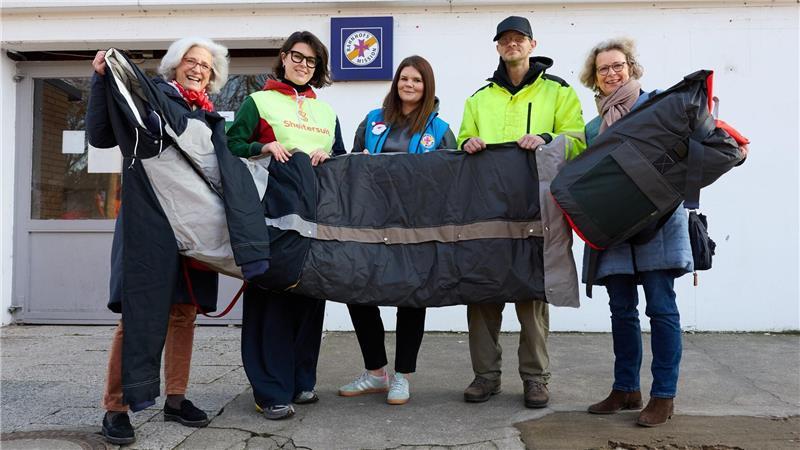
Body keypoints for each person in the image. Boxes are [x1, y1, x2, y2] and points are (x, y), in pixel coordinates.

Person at [577, 37, 751, 427]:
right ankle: (625, 389)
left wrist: (732, 146)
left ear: (631, 67)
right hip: (617, 227)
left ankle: (663, 396)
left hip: (660, 219)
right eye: (603, 68)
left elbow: (706, 134)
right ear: (594, 77)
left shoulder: (660, 103)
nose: (611, 73)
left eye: (617, 65)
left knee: (661, 307)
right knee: (621, 310)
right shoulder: (592, 128)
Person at [87, 37, 229, 445]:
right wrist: (100, 82)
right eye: (191, 60)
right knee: (139, 314)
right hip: (150, 224)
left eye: (206, 65)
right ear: (174, 66)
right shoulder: (146, 100)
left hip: (195, 229)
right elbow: (100, 135)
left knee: (185, 313)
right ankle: (115, 407)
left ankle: (177, 397)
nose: (198, 68)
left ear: (213, 76)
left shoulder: (210, 117)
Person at [457, 16, 586, 408]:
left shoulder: (559, 92)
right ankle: (485, 376)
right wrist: (469, 142)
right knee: (481, 296)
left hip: (537, 210)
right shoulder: (478, 98)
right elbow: (462, 139)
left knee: (532, 296)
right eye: (505, 40)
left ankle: (535, 379)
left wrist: (547, 139)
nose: (512, 44)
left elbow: (577, 140)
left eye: (519, 38)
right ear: (498, 47)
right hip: (487, 209)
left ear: (533, 44)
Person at [226, 30, 346, 420]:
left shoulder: (326, 112)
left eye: (312, 61)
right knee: (271, 306)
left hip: (317, 223)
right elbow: (229, 148)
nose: (303, 65)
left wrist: (328, 154)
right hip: (271, 222)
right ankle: (269, 391)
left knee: (310, 301)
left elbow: (343, 159)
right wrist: (262, 146)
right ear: (283, 56)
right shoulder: (257, 102)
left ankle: (299, 381)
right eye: (298, 57)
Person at [338, 55, 455, 405]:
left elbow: (450, 178)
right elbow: (352, 164)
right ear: (396, 82)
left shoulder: (439, 128)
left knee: (411, 297)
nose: (409, 84)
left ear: (427, 86)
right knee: (357, 291)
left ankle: (402, 376)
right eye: (404, 78)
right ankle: (376, 373)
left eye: (417, 80)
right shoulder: (373, 120)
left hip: (415, 225)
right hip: (371, 223)